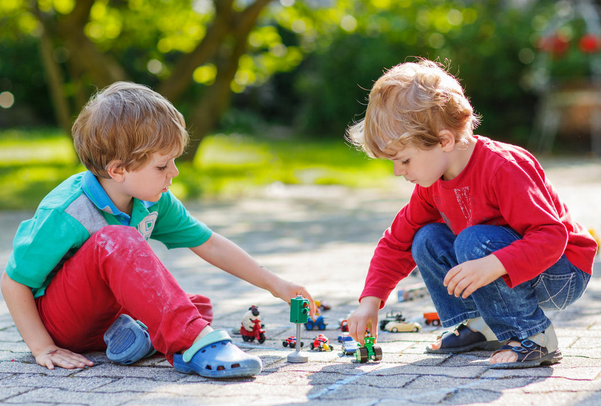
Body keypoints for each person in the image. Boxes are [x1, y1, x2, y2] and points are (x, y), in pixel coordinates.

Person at [1, 81, 315, 378]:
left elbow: (210, 244)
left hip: (106, 318)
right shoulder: (66, 211)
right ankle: (194, 344)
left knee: (196, 305)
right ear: (118, 170)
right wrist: (43, 347)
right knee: (119, 242)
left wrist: (276, 284)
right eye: (163, 166)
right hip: (62, 322)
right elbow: (13, 281)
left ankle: (132, 337)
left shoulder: (153, 200)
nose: (174, 173)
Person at [345, 59, 597, 368]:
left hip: (561, 271)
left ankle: (535, 335)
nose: (399, 172)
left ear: (444, 140)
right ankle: (481, 325)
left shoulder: (503, 168)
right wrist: (370, 302)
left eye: (405, 160)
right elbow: (396, 242)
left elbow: (551, 236)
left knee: (472, 242)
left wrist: (493, 264)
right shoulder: (432, 185)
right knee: (425, 238)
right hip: (504, 262)